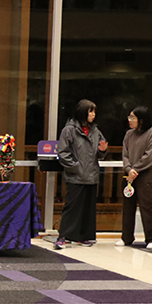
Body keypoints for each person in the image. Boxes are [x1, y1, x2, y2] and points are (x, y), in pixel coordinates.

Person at [54, 99, 108, 249]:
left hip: (91, 175)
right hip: (76, 176)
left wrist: (103, 150)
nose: (93, 114)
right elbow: (63, 153)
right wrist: (76, 167)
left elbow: (100, 152)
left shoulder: (95, 131)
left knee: (88, 208)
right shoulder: (69, 130)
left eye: (94, 111)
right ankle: (63, 236)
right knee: (72, 208)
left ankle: (85, 236)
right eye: (90, 111)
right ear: (83, 112)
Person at [116, 106, 152, 249]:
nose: (130, 120)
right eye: (129, 117)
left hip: (145, 174)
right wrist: (129, 169)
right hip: (129, 174)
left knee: (146, 206)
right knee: (128, 206)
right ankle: (126, 237)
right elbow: (125, 154)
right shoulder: (129, 134)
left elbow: (150, 155)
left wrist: (135, 169)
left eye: (133, 118)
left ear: (141, 120)